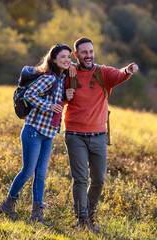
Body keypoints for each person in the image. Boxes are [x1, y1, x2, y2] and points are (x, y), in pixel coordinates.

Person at [64, 37, 139, 232]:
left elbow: (119, 74)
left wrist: (127, 70)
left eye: (91, 51)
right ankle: (81, 220)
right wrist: (67, 68)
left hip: (99, 135)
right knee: (80, 179)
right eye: (84, 52)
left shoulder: (103, 73)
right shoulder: (68, 73)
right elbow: (55, 63)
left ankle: (90, 214)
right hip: (75, 134)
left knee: (99, 180)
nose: (88, 55)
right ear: (76, 55)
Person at [0, 44, 72, 225]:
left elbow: (55, 98)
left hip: (48, 133)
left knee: (41, 175)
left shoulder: (61, 79)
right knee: (28, 171)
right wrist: (48, 106)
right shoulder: (49, 77)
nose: (67, 60)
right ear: (54, 59)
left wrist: (65, 97)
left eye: (69, 57)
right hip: (33, 130)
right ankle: (7, 205)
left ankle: (36, 214)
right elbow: (30, 94)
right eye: (63, 56)